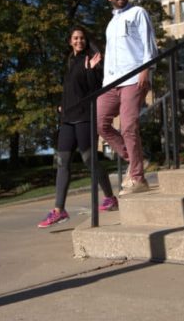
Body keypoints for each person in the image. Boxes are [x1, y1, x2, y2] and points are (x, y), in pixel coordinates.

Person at [37, 26, 118, 228]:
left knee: (88, 159)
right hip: (67, 118)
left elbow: (95, 89)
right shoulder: (70, 62)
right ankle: (59, 210)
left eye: (82, 38)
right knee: (62, 161)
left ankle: (110, 197)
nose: (79, 41)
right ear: (70, 41)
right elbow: (71, 88)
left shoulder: (90, 60)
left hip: (84, 117)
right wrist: (62, 104)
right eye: (75, 38)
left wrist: (91, 69)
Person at [97, 0, 157, 195]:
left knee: (128, 126)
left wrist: (145, 71)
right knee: (100, 123)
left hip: (133, 78)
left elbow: (149, 43)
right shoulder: (111, 24)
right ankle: (136, 160)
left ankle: (138, 178)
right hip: (111, 82)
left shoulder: (138, 13)